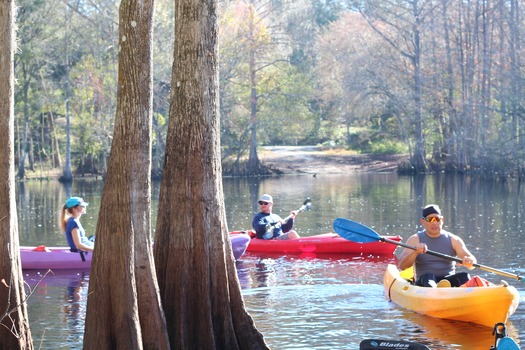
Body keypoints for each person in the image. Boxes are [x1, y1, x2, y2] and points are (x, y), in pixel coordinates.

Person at [398, 204, 477, 287]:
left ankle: (447, 291)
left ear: (442, 220)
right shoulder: (415, 240)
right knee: (428, 277)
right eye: (430, 219)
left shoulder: (454, 240)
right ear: (422, 221)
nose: (435, 223)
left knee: (464, 276)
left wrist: (470, 261)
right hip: (424, 282)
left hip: (447, 281)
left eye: (437, 219)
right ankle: (436, 291)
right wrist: (415, 252)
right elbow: (402, 266)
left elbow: (472, 263)